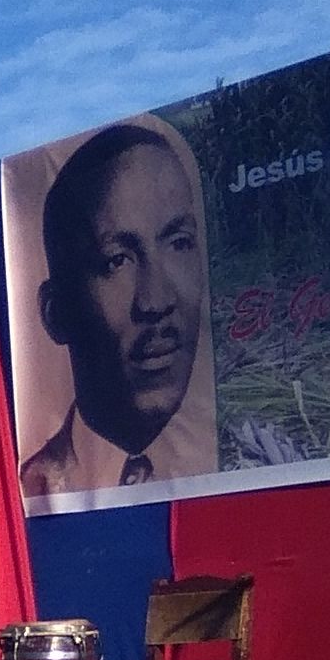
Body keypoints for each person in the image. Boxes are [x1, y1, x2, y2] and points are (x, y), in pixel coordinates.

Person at [20, 123, 218, 498]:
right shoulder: (28, 490)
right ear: (56, 312)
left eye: (179, 243)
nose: (156, 302)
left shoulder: (246, 460)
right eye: (116, 261)